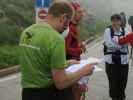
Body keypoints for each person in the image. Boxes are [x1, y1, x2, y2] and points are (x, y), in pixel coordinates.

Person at [19, 2, 94, 100]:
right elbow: (61, 83)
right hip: (46, 94)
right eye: (67, 23)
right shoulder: (56, 38)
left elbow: (40, 63)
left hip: (27, 93)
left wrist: (66, 63)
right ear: (63, 17)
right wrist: (83, 71)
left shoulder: (27, 31)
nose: (66, 28)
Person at [103, 14, 129, 100]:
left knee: (123, 82)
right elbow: (109, 44)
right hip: (111, 62)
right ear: (111, 22)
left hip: (124, 62)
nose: (115, 23)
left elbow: (127, 43)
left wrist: (116, 43)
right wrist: (121, 45)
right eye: (113, 21)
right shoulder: (108, 30)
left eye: (117, 21)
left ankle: (121, 97)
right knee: (113, 83)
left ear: (121, 22)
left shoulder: (125, 30)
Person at [65, 1, 86, 100]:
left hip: (74, 63)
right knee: (75, 94)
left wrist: (80, 44)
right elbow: (66, 49)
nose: (82, 14)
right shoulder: (69, 27)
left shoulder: (73, 26)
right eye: (79, 12)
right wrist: (79, 49)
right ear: (72, 13)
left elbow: (73, 43)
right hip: (71, 65)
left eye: (82, 12)